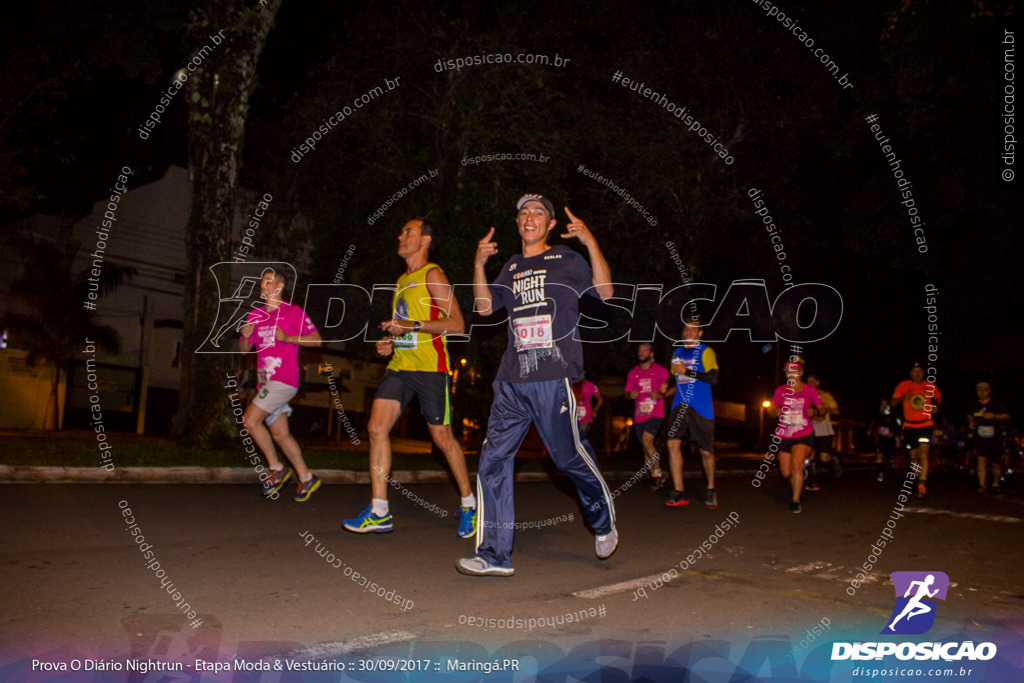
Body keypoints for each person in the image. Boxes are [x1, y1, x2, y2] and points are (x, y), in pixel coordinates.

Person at [457, 194, 617, 576]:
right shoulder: (510, 267)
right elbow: (484, 308)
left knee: (566, 458)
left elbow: (606, 292)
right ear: (518, 224)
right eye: (524, 213)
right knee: (492, 462)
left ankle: (602, 518)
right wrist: (479, 265)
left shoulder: (566, 258)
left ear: (548, 225)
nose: (530, 217)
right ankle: (493, 554)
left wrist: (590, 242)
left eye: (538, 213)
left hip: (552, 375)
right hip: (512, 379)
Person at [342, 218, 476, 536]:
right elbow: (408, 328)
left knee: (442, 439)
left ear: (425, 240)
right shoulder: (402, 280)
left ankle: (470, 504)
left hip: (431, 369)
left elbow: (457, 324)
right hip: (401, 367)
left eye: (408, 232)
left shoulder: (433, 275)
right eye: (401, 231)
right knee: (376, 428)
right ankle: (379, 511)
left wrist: (412, 326)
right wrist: (391, 343)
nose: (401, 236)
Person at [239, 268, 323, 501]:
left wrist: (288, 338)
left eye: (267, 280)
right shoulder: (254, 316)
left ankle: (276, 468)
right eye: (261, 280)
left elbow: (317, 340)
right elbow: (244, 350)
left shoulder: (292, 312)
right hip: (265, 384)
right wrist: (246, 336)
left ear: (279, 286)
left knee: (249, 421)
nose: (262, 284)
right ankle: (307, 478)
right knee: (280, 435)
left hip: (284, 380)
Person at [665, 319, 719, 509]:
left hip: (701, 407)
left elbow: (713, 378)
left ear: (700, 333)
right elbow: (677, 378)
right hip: (680, 404)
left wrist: (687, 371)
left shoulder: (706, 351)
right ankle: (678, 492)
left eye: (693, 329)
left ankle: (711, 489)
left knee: (706, 452)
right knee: (672, 444)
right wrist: (668, 385)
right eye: (686, 328)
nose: (688, 332)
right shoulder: (677, 352)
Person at [769, 360, 823, 514]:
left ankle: (795, 500)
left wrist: (816, 412)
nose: (791, 374)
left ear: (800, 373)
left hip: (804, 433)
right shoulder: (780, 390)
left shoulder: (810, 390)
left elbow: (822, 408)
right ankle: (799, 477)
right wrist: (775, 411)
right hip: (785, 434)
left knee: (795, 465)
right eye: (788, 372)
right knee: (786, 473)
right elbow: (772, 409)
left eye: (794, 371)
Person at [892, 363, 942, 497]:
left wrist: (936, 406)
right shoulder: (904, 386)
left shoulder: (930, 386)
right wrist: (903, 398)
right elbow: (892, 402)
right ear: (910, 373)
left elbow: (939, 399)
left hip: (926, 424)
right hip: (910, 426)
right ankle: (918, 475)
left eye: (919, 371)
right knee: (913, 456)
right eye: (914, 371)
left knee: (924, 453)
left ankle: (922, 484)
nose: (917, 373)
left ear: (924, 372)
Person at [625, 343, 671, 488]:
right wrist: (630, 394)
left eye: (645, 350)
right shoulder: (633, 373)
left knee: (647, 441)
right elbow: (627, 392)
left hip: (656, 413)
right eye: (640, 351)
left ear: (651, 354)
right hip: (640, 415)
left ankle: (657, 472)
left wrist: (661, 393)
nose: (641, 353)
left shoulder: (661, 371)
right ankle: (656, 477)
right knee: (645, 447)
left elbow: (672, 386)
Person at [967, 382, 1011, 495]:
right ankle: (982, 486)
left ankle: (996, 483)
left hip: (995, 437)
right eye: (979, 390)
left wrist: (995, 416)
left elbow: (1007, 416)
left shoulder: (997, 404)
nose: (982, 392)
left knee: (995, 463)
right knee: (981, 460)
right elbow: (970, 415)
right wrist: (971, 421)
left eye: (984, 390)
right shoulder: (974, 405)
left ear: (989, 391)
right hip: (980, 437)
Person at [804, 374, 841, 490]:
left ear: (817, 383)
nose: (810, 383)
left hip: (824, 431)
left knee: (824, 458)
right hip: (809, 431)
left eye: (812, 381)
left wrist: (820, 410)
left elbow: (836, 411)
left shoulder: (825, 395)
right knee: (809, 457)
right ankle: (812, 482)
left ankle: (833, 460)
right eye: (808, 381)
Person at [868, 399, 901, 482]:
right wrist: (871, 432)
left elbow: (898, 427)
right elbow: (872, 426)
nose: (883, 406)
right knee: (879, 455)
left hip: (890, 439)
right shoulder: (877, 416)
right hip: (880, 439)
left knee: (888, 456)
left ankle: (891, 464)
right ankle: (880, 473)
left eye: (885, 404)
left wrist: (893, 433)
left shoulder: (893, 416)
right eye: (882, 404)